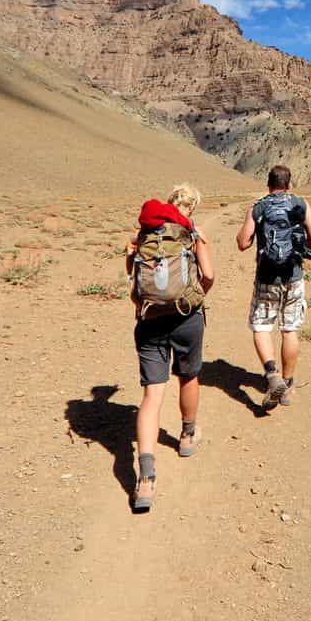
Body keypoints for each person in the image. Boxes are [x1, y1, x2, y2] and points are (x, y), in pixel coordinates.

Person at [125, 183, 214, 512]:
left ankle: (146, 478)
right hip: (187, 317)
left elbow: (132, 279)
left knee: (152, 395)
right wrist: (193, 296)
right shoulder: (192, 232)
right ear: (192, 207)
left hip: (149, 320)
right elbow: (209, 274)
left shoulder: (144, 233)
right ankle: (188, 436)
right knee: (188, 377)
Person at [235, 165, 311, 409]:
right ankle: (288, 384)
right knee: (289, 329)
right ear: (289, 184)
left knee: (261, 326)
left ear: (268, 184)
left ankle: (272, 375)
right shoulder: (301, 204)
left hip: (266, 277)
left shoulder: (259, 206)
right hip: (293, 276)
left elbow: (242, 243)